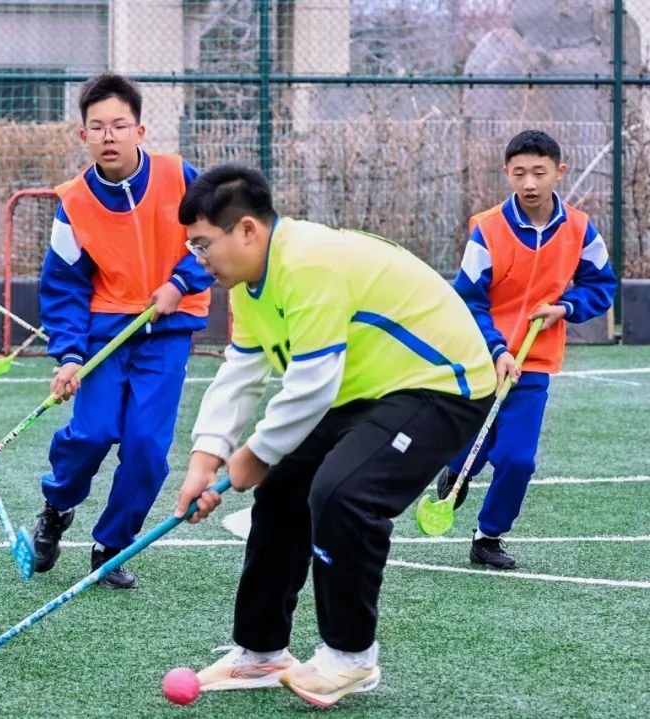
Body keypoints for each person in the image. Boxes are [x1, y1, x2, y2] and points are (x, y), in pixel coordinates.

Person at [173, 164, 495, 708]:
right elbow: (241, 371)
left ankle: (351, 658)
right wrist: (206, 456)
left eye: (204, 245)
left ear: (247, 230)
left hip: (443, 386)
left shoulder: (307, 262)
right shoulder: (251, 284)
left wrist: (254, 454)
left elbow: (311, 384)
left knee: (344, 494)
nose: (197, 260)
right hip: (366, 391)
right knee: (283, 491)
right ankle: (261, 652)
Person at [33, 73, 212, 589]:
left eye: (119, 125)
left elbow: (214, 235)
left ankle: (111, 545)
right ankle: (57, 505)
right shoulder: (73, 203)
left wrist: (181, 281)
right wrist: (68, 355)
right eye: (97, 127)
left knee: (147, 448)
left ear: (140, 130)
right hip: (103, 337)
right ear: (82, 136)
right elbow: (63, 287)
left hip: (168, 333)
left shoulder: (180, 176)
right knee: (90, 433)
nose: (108, 136)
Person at [437, 129, 617, 569]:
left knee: (517, 459)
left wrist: (567, 307)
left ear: (560, 171)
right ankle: (458, 469)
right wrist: (496, 349)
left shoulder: (579, 228)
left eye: (539, 172)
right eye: (519, 173)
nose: (530, 183)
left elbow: (602, 284)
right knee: (474, 441)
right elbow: (469, 300)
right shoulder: (488, 230)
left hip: (535, 361)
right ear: (507, 174)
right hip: (484, 357)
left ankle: (488, 536)